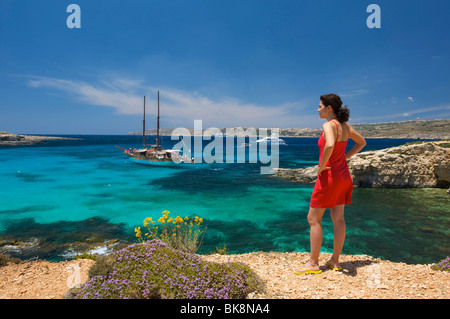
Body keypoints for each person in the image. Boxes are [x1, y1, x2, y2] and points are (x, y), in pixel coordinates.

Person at [294, 94, 366, 275]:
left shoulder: (328, 125)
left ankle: (313, 263)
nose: (317, 109)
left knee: (313, 219)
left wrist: (322, 165)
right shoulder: (345, 126)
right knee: (338, 218)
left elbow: (330, 144)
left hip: (329, 176)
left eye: (320, 106)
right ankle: (335, 260)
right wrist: (344, 157)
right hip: (344, 176)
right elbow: (362, 143)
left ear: (329, 108)